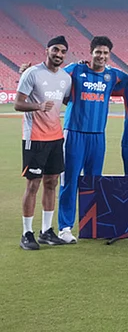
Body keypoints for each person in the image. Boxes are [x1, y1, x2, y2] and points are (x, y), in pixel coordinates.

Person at [58, 36, 128, 243]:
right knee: (70, 181)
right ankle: (65, 227)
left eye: (106, 53)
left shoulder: (113, 75)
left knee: (93, 181)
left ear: (110, 55)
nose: (102, 56)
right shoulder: (76, 70)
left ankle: (90, 226)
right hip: (74, 133)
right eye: (98, 52)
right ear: (91, 53)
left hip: (98, 136)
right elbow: (55, 79)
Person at [15, 36, 72, 250]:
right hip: (35, 138)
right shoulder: (32, 73)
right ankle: (26, 233)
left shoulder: (66, 78)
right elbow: (18, 104)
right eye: (55, 50)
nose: (59, 54)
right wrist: (38, 106)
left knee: (51, 183)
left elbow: (66, 100)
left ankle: (46, 231)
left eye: (63, 51)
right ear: (47, 50)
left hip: (56, 137)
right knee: (33, 185)